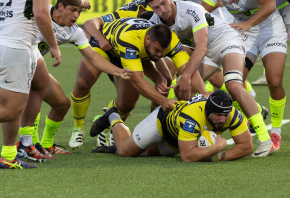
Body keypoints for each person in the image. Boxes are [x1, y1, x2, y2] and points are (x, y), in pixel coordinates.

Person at [146, 0, 272, 157]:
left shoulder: (191, 9)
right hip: (205, 54)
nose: (162, 10)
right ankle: (253, 110)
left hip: (226, 41)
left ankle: (265, 140)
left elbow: (202, 46)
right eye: (156, 8)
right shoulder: (153, 22)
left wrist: (186, 76)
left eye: (163, 3)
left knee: (233, 85)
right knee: (187, 94)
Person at [17, 0, 133, 161]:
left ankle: (46, 143)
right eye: (73, 10)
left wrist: (119, 72)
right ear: (60, 6)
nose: (77, 15)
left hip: (32, 66)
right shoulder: (38, 12)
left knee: (62, 104)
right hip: (13, 63)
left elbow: (93, 57)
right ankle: (29, 144)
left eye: (79, 11)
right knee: (28, 99)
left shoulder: (74, 32)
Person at [70, 17, 205, 148]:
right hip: (106, 46)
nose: (159, 55)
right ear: (147, 40)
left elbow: (188, 70)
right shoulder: (130, 39)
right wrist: (163, 100)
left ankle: (113, 121)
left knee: (127, 104)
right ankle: (78, 127)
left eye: (163, 52)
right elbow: (137, 80)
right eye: (157, 50)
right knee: (83, 83)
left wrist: (204, 93)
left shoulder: (172, 40)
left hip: (135, 53)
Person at [201, 0, 287, 153]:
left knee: (274, 81)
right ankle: (247, 119)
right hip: (242, 32)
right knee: (233, 85)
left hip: (269, 30)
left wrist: (248, 23)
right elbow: (203, 11)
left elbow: (269, 6)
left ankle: (275, 131)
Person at [218, 0, 290, 150]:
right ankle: (264, 127)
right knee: (238, 82)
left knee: (273, 80)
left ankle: (273, 132)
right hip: (261, 35)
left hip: (272, 33)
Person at [0, 0, 61, 169]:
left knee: (29, 91)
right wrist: (54, 46)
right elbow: (41, 13)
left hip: (5, 40)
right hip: (16, 47)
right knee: (13, 109)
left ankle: (8, 154)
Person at [91, 91, 253, 162]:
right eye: (218, 115)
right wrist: (218, 148)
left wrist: (222, 157)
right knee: (126, 152)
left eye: (225, 115)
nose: (223, 119)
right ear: (207, 111)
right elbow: (187, 157)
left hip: (178, 138)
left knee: (145, 153)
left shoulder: (231, 113)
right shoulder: (192, 117)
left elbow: (246, 146)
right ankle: (113, 116)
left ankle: (114, 147)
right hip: (162, 121)